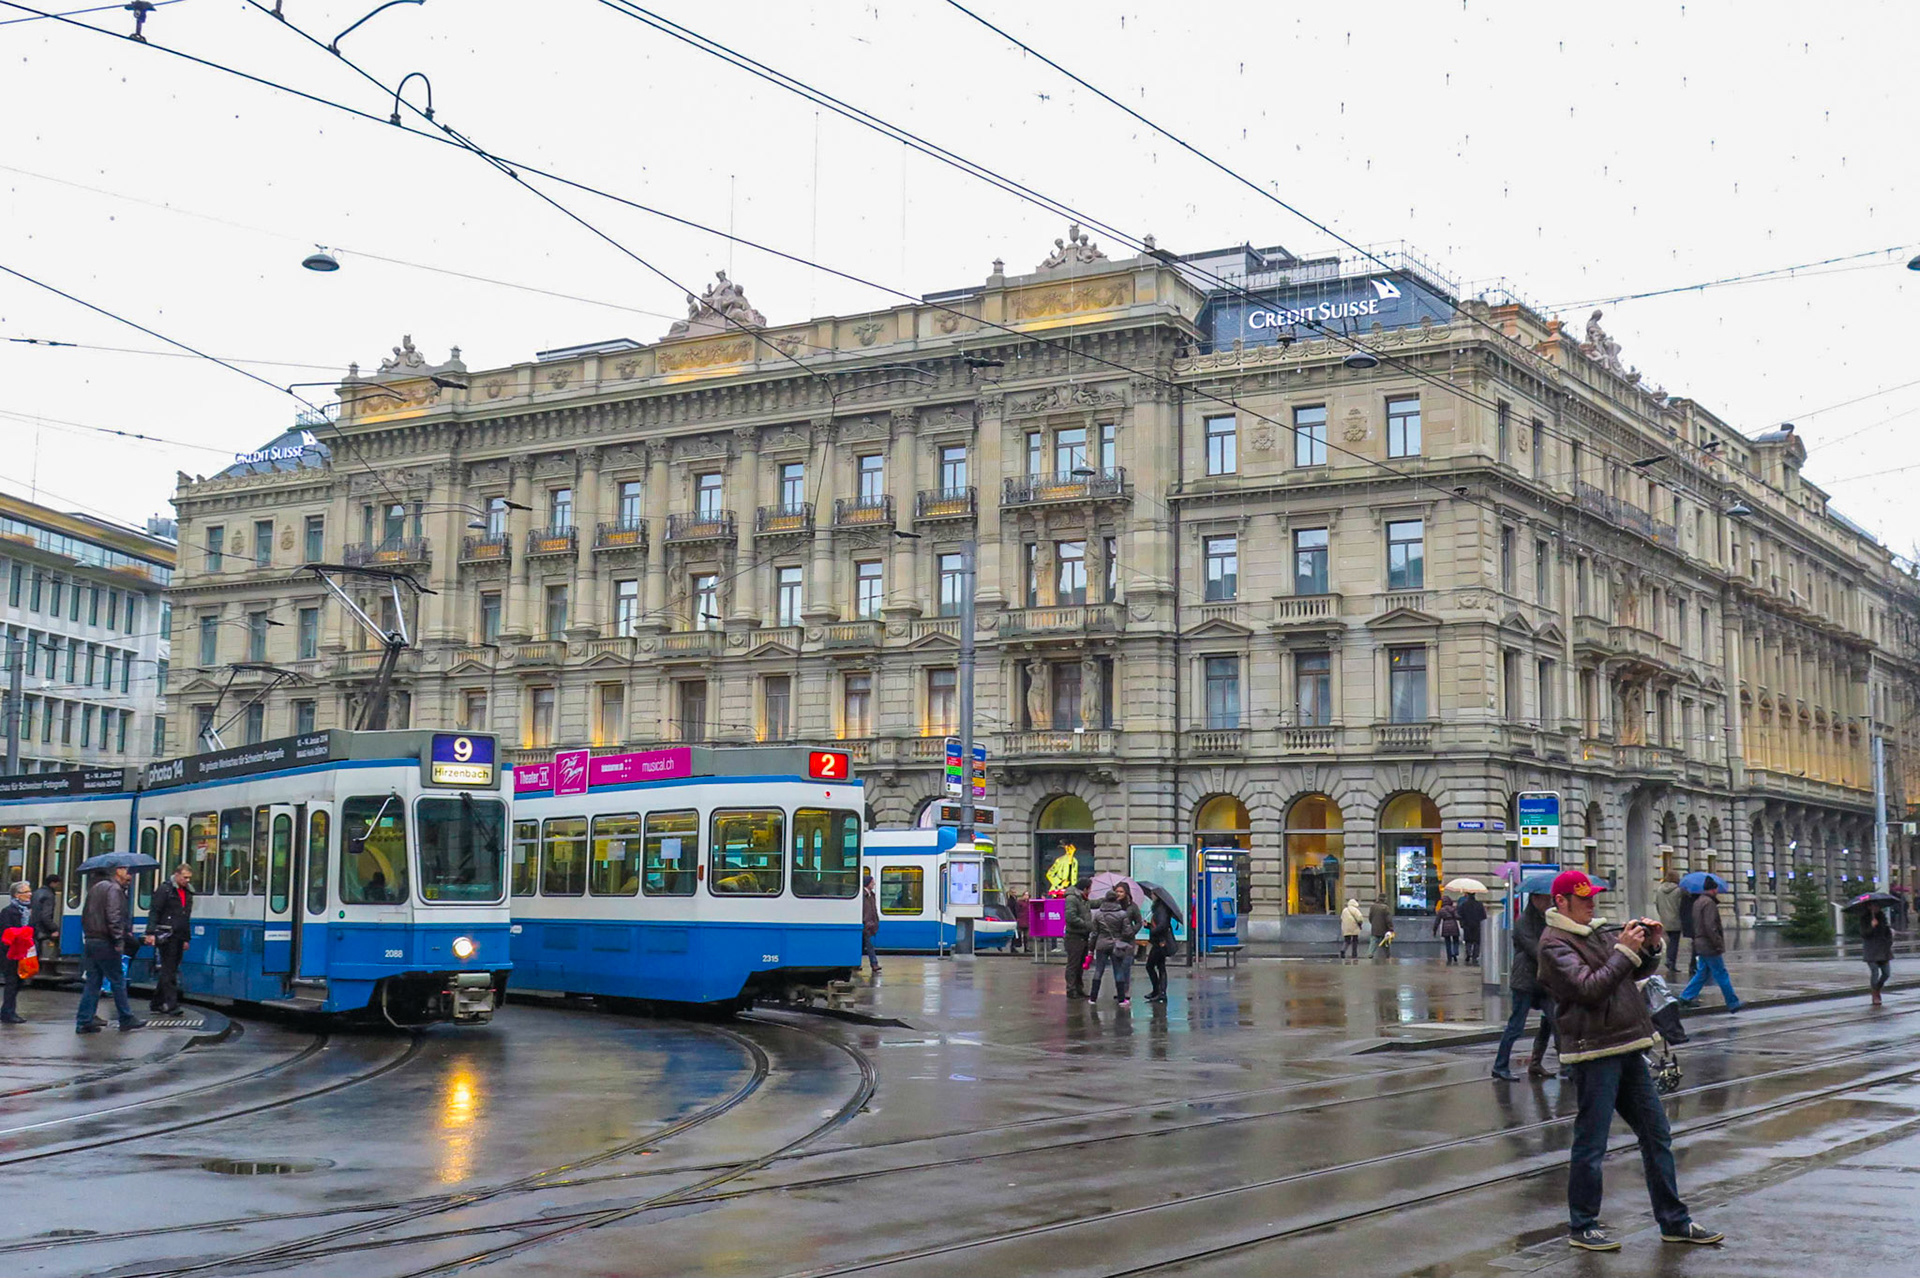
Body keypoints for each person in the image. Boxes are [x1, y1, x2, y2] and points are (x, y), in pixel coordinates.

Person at [1535, 869, 1722, 1251]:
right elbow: (1590, 989)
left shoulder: (1599, 932)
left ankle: (1674, 1221)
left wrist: (1649, 947)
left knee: (1657, 1135)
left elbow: (1634, 972)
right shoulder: (1554, 944)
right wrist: (1622, 950)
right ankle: (1582, 1225)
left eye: (1593, 897)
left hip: (1628, 1045)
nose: (1591, 903)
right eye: (1583, 898)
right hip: (1593, 1050)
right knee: (1592, 1141)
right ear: (1561, 902)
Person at [1492, 891, 1558, 1081]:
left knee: (1554, 1021)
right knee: (1516, 1026)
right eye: (1546, 898)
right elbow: (1536, 950)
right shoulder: (1523, 923)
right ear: (1535, 899)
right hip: (1525, 982)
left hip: (1543, 982)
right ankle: (1500, 1066)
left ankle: (1540, 1064)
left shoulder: (1546, 919)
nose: (1549, 901)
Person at [76, 867, 145, 1034]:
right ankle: (126, 1018)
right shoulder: (114, 889)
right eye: (127, 872)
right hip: (106, 942)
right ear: (117, 871)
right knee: (117, 980)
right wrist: (118, 940)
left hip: (92, 941)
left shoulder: (96, 888)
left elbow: (85, 915)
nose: (130, 876)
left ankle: (84, 1020)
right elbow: (114, 917)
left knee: (93, 982)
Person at [1678, 882, 1741, 1012]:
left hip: (1700, 942)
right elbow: (1710, 926)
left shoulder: (1698, 902)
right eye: (1716, 888)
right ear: (1713, 889)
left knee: (1703, 973)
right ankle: (1733, 1002)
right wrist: (1717, 944)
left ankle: (1685, 997)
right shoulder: (1709, 904)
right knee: (1721, 973)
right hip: (1709, 944)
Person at [146, 864, 195, 1014]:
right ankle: (172, 1004)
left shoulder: (187, 892)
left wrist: (186, 938)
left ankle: (156, 1002)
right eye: (184, 877)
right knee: (169, 970)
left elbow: (185, 917)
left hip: (179, 935)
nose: (187, 880)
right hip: (167, 935)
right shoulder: (165, 890)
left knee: (170, 968)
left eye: (189, 878)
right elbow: (155, 911)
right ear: (177, 875)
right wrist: (150, 933)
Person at [1087, 888, 1143, 1007]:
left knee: (1098, 970)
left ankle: (1093, 997)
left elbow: (1094, 934)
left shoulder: (1098, 914)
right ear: (1116, 900)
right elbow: (1128, 932)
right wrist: (1121, 937)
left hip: (1101, 945)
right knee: (1118, 970)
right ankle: (1121, 999)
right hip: (1116, 945)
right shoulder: (1122, 914)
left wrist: (1091, 949)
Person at [1, 881, 31, 1024]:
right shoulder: (8, 911)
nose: (29, 894)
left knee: (19, 981)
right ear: (16, 895)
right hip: (11, 953)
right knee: (12, 982)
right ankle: (8, 1012)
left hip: (24, 952)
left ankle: (7, 1010)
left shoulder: (27, 911)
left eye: (29, 891)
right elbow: (6, 931)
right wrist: (24, 933)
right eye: (26, 892)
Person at [1063, 877, 1094, 999]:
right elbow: (1070, 917)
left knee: (1080, 964)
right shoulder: (1072, 898)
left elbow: (1093, 903)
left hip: (1083, 936)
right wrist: (1087, 925)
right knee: (1073, 964)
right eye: (1090, 888)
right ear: (1085, 888)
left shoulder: (1082, 899)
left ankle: (1079, 988)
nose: (1091, 891)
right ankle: (1071, 990)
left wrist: (1106, 899)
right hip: (1074, 936)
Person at [1860, 904, 1893, 1007]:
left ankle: (1877, 988)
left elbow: (1887, 933)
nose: (1876, 908)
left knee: (1886, 973)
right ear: (1869, 907)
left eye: (1877, 906)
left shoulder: (1882, 918)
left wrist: (1888, 942)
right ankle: (1875, 994)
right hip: (1871, 950)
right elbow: (1864, 934)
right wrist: (1872, 926)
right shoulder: (1864, 918)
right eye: (1873, 906)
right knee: (1874, 972)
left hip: (1883, 950)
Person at [1653, 870, 1685, 977]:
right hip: (1676, 919)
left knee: (1669, 940)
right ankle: (1671, 962)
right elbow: (1681, 906)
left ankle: (1669, 959)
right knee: (1674, 942)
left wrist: (1662, 915)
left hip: (1665, 919)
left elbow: (1657, 904)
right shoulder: (1678, 891)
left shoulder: (1659, 889)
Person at [1144, 896, 1174, 1002]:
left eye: (1153, 894)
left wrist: (1152, 931)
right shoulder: (1159, 908)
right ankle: (1160, 992)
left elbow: (1162, 925)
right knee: (1160, 966)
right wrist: (1148, 925)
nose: (1151, 895)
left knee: (1150, 966)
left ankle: (1159, 991)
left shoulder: (1161, 909)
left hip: (1160, 942)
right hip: (1159, 941)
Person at [30, 873, 60, 964]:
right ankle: (51, 964)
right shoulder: (49, 896)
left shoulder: (36, 892)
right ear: (53, 883)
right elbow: (46, 916)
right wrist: (54, 928)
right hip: (41, 928)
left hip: (33, 926)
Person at [859, 869, 881, 975]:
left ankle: (855, 964)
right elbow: (864, 910)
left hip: (869, 923)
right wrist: (866, 921)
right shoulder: (862, 895)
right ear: (868, 884)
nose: (874, 884)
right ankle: (874, 964)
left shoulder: (871, 895)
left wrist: (876, 920)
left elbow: (874, 909)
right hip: (865, 924)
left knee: (862, 945)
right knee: (869, 945)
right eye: (872, 882)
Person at [1457, 891, 1487, 966]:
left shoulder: (1464, 904)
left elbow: (1459, 915)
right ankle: (1475, 956)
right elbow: (1484, 916)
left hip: (1467, 925)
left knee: (1468, 941)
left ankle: (1468, 953)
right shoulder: (1479, 904)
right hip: (1477, 925)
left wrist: (1462, 923)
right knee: (1476, 942)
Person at [1434, 897, 1462, 964]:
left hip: (1445, 925)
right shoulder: (1453, 909)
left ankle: (1449, 957)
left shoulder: (1441, 910)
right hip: (1454, 925)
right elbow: (1457, 916)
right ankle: (1455, 952)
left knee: (1447, 942)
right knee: (1456, 940)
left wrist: (1434, 930)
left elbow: (1437, 921)